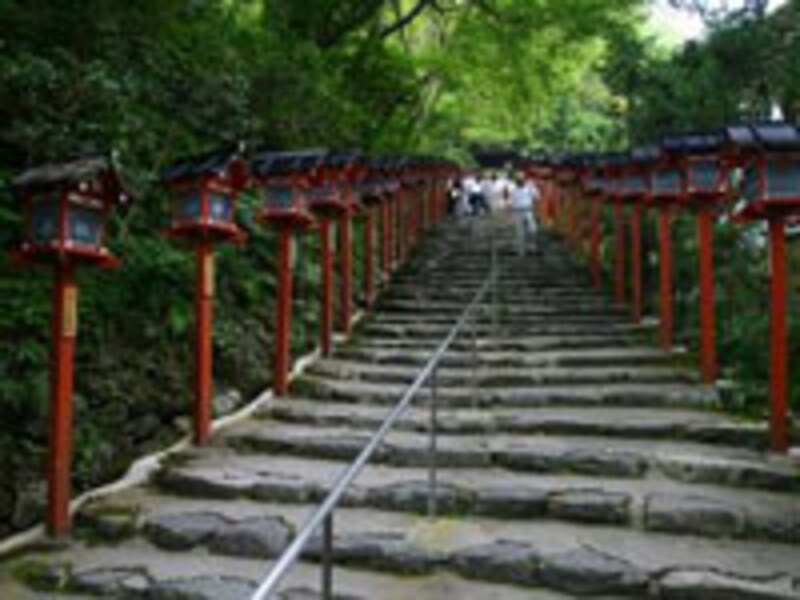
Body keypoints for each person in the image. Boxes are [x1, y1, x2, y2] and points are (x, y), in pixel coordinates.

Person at [509, 174, 540, 256]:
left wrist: (536, 210)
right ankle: (521, 251)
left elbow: (537, 197)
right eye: (518, 180)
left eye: (521, 179)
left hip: (528, 211)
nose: (519, 181)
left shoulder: (529, 188)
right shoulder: (513, 190)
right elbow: (511, 202)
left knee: (532, 230)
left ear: (524, 180)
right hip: (517, 212)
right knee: (519, 232)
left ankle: (532, 248)